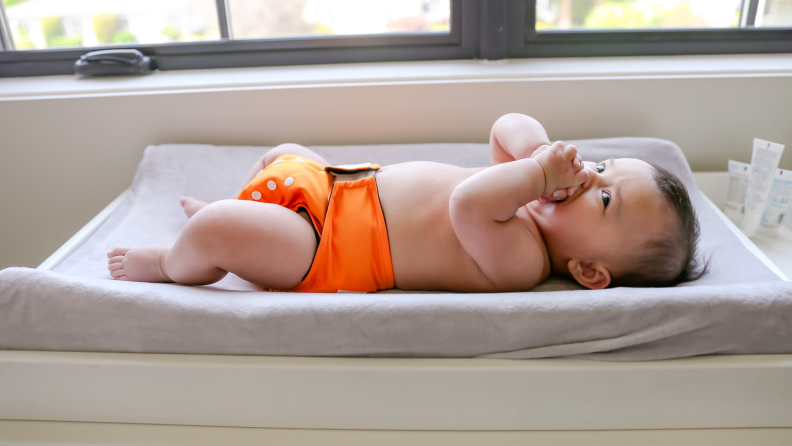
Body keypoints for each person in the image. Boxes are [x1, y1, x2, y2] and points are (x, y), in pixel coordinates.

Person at [107, 113, 704, 292]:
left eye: (603, 198)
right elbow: (505, 125)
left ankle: (174, 261)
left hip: (323, 251)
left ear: (589, 271)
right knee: (280, 154)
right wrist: (541, 148)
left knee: (219, 227)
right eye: (601, 166)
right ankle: (243, 216)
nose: (586, 175)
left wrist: (535, 173)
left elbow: (467, 202)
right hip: (337, 183)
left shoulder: (520, 257)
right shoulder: (524, 192)